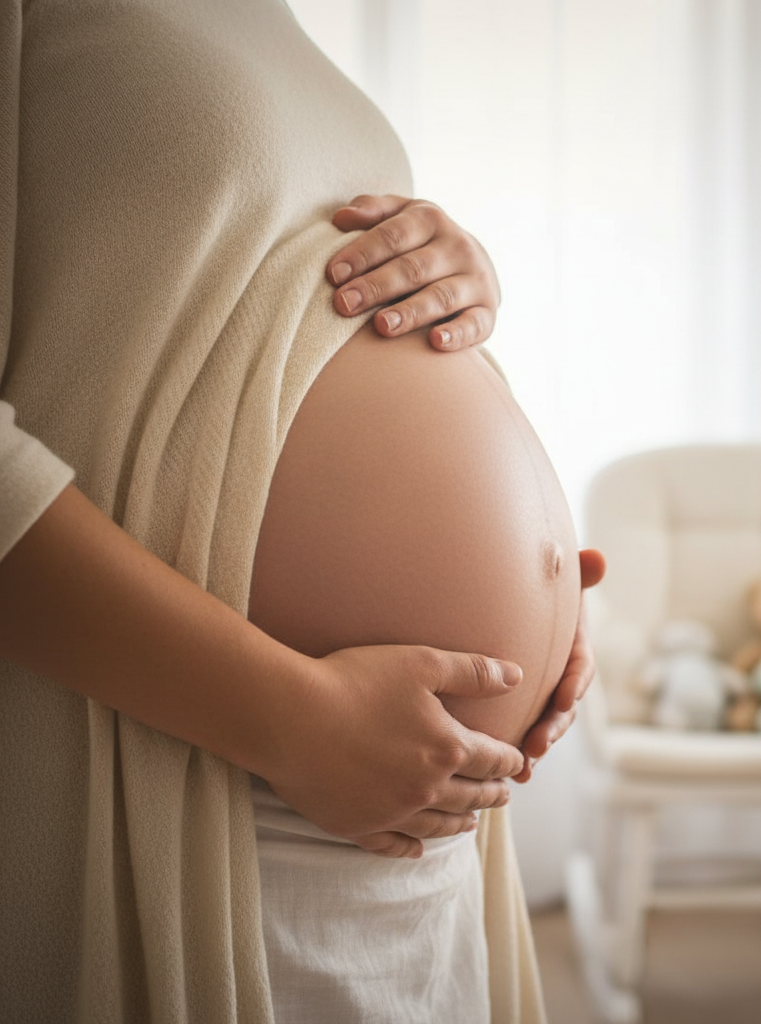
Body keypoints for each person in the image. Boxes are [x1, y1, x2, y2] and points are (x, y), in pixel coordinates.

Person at [0, 1, 601, 1021]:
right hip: (214, 768)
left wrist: (458, 281)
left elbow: (234, 277)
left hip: (403, 815)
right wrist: (290, 720)